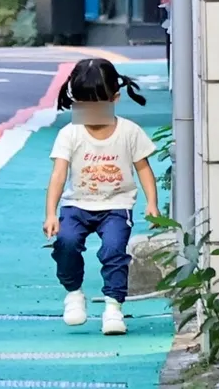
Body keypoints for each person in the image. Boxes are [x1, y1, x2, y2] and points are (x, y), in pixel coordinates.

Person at [43, 58, 159, 335]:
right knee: (66, 243)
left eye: (97, 106)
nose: (90, 113)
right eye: (83, 106)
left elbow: (143, 168)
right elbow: (59, 174)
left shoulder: (129, 132)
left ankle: (113, 307)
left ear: (115, 99)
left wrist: (152, 203)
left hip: (117, 206)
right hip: (76, 205)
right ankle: (73, 293)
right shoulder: (70, 134)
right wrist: (51, 213)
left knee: (114, 251)